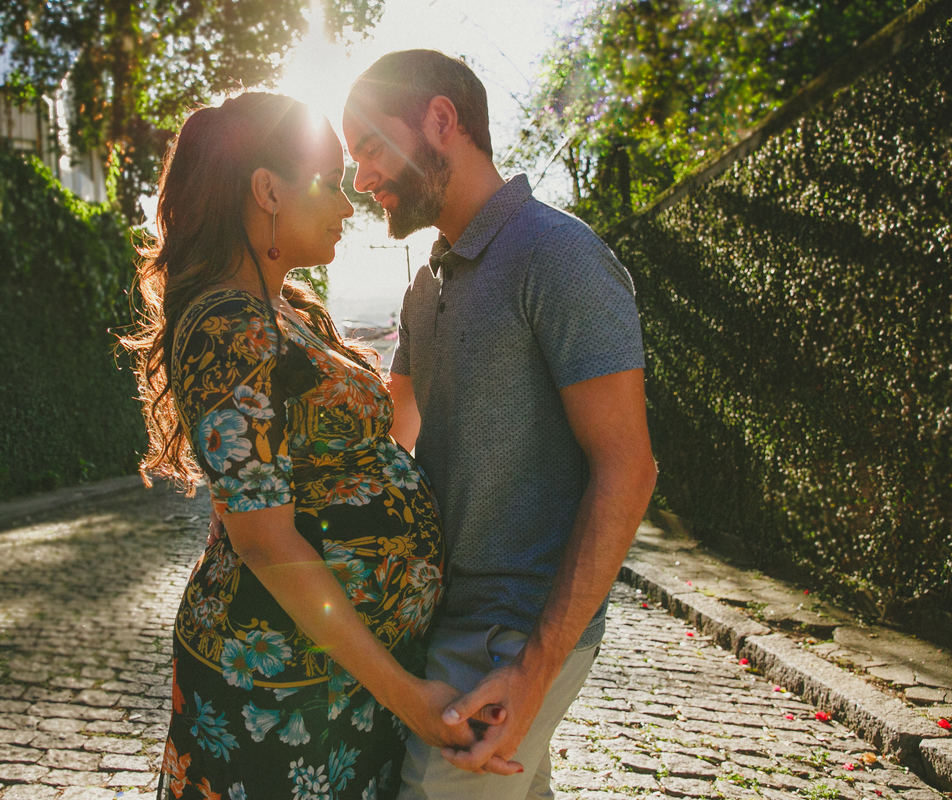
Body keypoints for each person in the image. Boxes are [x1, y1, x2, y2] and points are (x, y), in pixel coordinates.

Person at [121, 92, 492, 800]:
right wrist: (407, 695)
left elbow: (353, 451)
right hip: (278, 690)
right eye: (329, 181)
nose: (349, 207)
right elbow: (263, 541)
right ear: (266, 190)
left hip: (328, 681)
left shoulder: (277, 312)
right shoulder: (226, 329)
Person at [342, 50, 659, 799]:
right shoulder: (426, 286)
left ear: (441, 121)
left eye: (371, 148)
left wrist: (532, 669)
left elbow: (629, 469)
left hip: (511, 638)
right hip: (446, 620)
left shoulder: (560, 257)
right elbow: (393, 438)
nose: (361, 180)